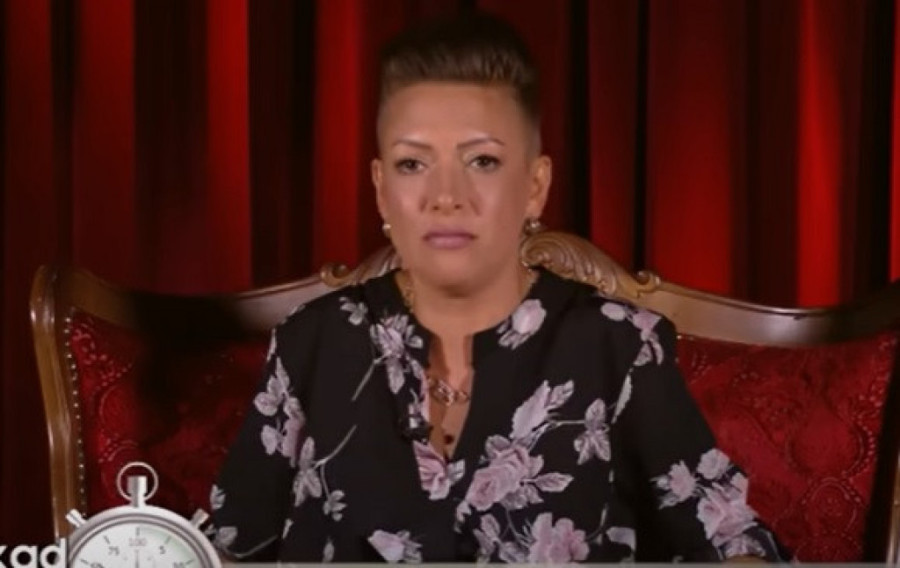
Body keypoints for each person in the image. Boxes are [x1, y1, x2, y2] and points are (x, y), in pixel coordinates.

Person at [207, 12, 788, 563]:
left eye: (482, 161)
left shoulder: (619, 347)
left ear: (535, 185)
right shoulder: (312, 342)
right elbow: (227, 547)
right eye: (413, 164)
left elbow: (732, 541)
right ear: (381, 189)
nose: (446, 196)